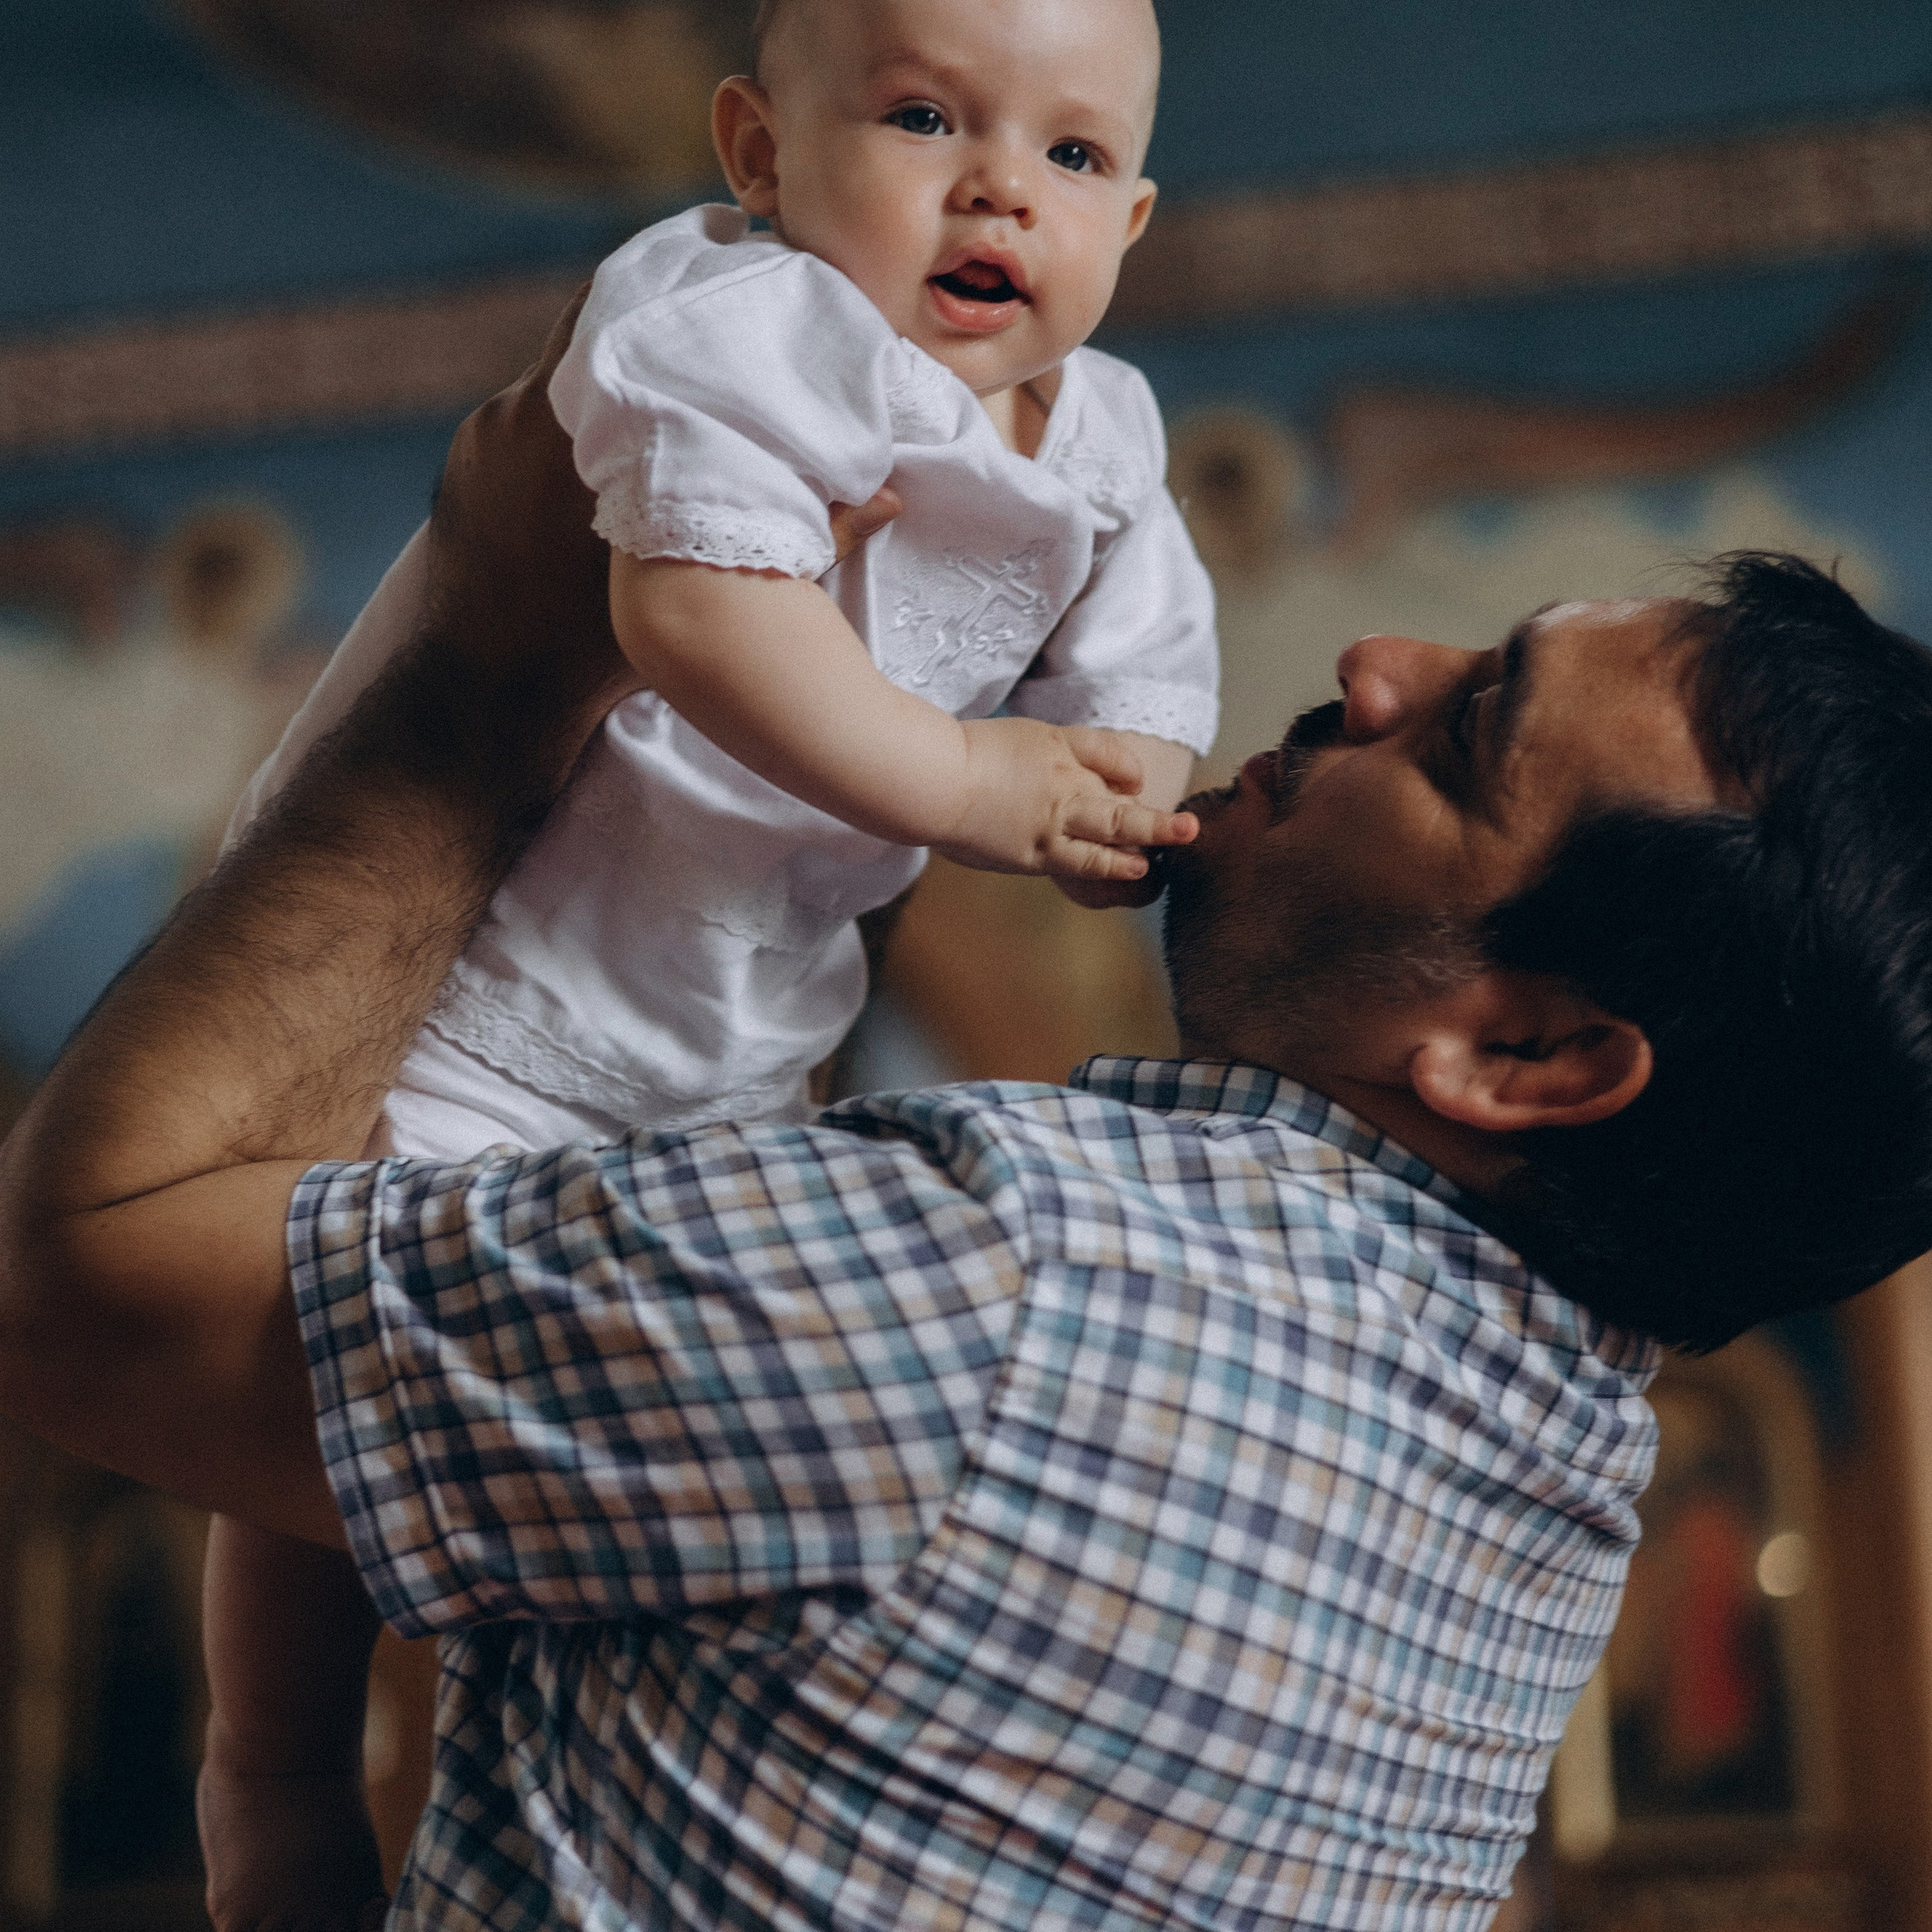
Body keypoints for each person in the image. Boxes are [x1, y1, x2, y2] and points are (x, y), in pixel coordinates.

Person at [5, 315, 1932, 1932]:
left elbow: (72, 1292)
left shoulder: (1025, 1285)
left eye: (1466, 734)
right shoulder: (1547, 1494)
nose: (1375, 667)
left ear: (1525, 1056)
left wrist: (499, 635)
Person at [208, 0, 1216, 1906]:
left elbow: (1145, 683)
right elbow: (693, 613)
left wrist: (1105, 801)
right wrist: (968, 782)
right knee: (336, 1387)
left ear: (1133, 221)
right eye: (923, 118)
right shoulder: (729, 319)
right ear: (758, 153)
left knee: (598, 1445)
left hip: (737, 1043)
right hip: (496, 980)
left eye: (1072, 155)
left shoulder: (1102, 436)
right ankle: (271, 1764)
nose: (1000, 187)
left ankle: (576, 1804)